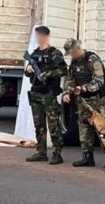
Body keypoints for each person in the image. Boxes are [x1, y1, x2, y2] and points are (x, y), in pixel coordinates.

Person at [62, 38, 105, 167]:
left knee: (103, 129)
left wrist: (84, 88)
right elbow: (70, 80)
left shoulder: (93, 60)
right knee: (84, 129)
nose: (71, 56)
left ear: (77, 49)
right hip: (82, 101)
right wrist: (67, 92)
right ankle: (87, 157)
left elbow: (99, 80)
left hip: (97, 101)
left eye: (72, 53)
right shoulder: (74, 63)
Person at [25, 25, 67, 165]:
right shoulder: (35, 53)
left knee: (54, 126)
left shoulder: (54, 53)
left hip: (49, 93)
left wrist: (48, 74)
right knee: (39, 125)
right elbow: (27, 72)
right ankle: (41, 152)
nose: (39, 38)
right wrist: (28, 69)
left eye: (41, 35)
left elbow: (63, 70)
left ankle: (57, 153)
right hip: (36, 93)